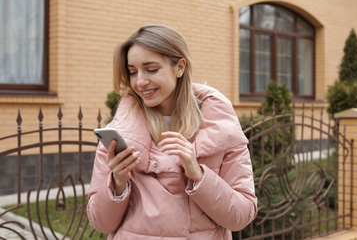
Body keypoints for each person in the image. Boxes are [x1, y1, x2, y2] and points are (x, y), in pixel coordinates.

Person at [87, 24, 257, 239]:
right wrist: (118, 182)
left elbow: (240, 216)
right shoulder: (120, 133)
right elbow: (100, 223)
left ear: (180, 67)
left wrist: (198, 174)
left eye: (151, 69)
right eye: (132, 72)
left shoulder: (221, 129)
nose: (140, 82)